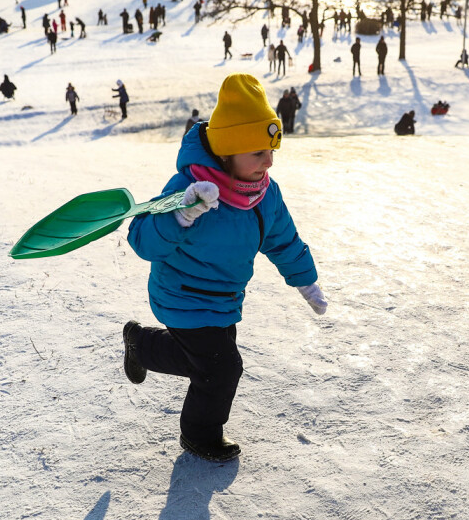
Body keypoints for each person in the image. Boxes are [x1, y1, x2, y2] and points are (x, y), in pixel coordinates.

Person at [122, 73, 325, 462]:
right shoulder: (190, 188)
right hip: (180, 297)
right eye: (257, 153)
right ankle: (199, 436)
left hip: (224, 300)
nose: (268, 162)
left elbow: (282, 239)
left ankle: (141, 345)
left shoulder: (264, 193)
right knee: (221, 369)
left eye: (271, 151)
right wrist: (183, 215)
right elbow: (142, 240)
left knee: (203, 362)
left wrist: (306, 281)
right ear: (228, 152)